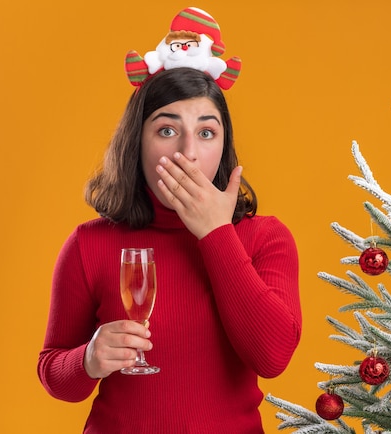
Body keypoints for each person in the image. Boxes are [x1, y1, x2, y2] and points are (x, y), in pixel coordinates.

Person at [37, 7, 301, 433]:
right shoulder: (89, 244)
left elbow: (272, 359)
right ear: (136, 142)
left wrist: (216, 233)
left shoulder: (265, 238)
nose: (188, 152)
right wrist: (88, 358)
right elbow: (54, 373)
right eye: (166, 130)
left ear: (223, 145)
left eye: (206, 131)